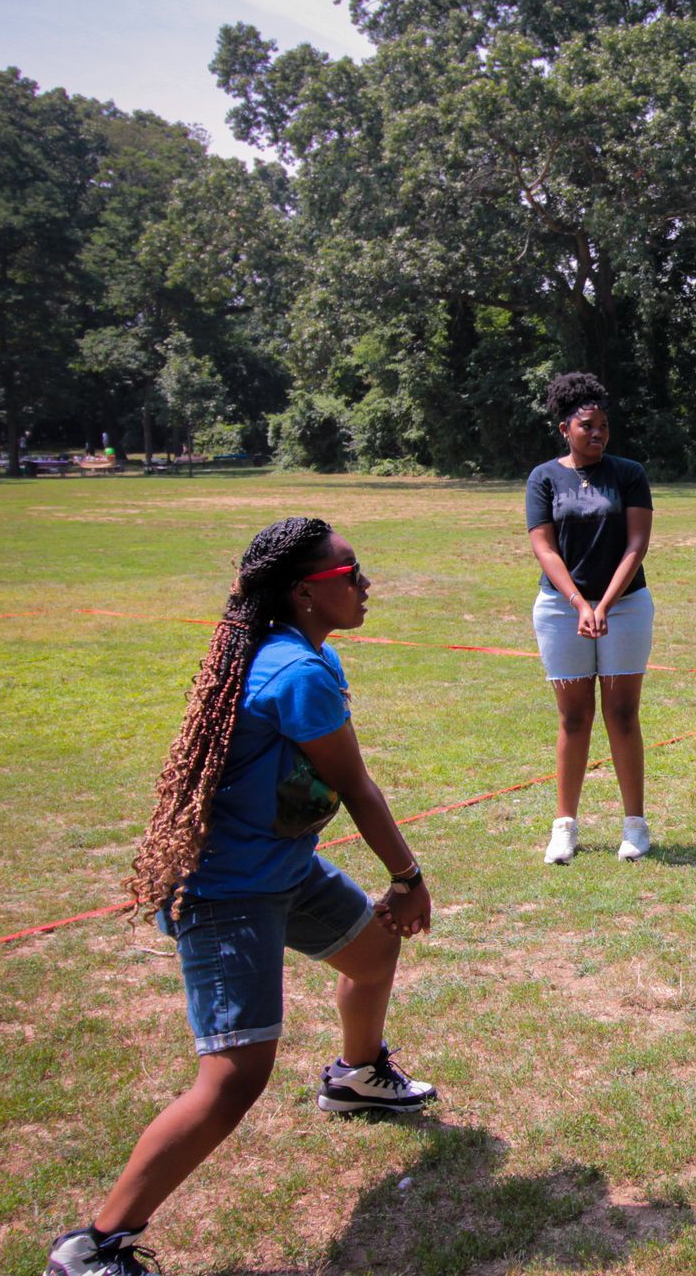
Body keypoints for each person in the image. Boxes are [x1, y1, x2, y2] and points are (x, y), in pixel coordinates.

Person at [46, 518, 437, 1276]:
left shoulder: (284, 654)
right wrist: (408, 878)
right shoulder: (297, 672)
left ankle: (357, 1079)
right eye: (349, 573)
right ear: (302, 593)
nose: (364, 584)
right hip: (229, 891)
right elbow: (355, 785)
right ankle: (94, 1246)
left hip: (278, 867)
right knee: (231, 1081)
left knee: (373, 949)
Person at [526, 371, 655, 865]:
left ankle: (635, 825)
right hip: (562, 609)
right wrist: (580, 604)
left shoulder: (628, 473)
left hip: (625, 605)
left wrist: (603, 605)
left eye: (603, 425)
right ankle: (565, 826)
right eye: (587, 426)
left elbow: (636, 544)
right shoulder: (544, 477)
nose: (597, 433)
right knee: (574, 717)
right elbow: (544, 546)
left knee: (622, 714)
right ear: (565, 429)